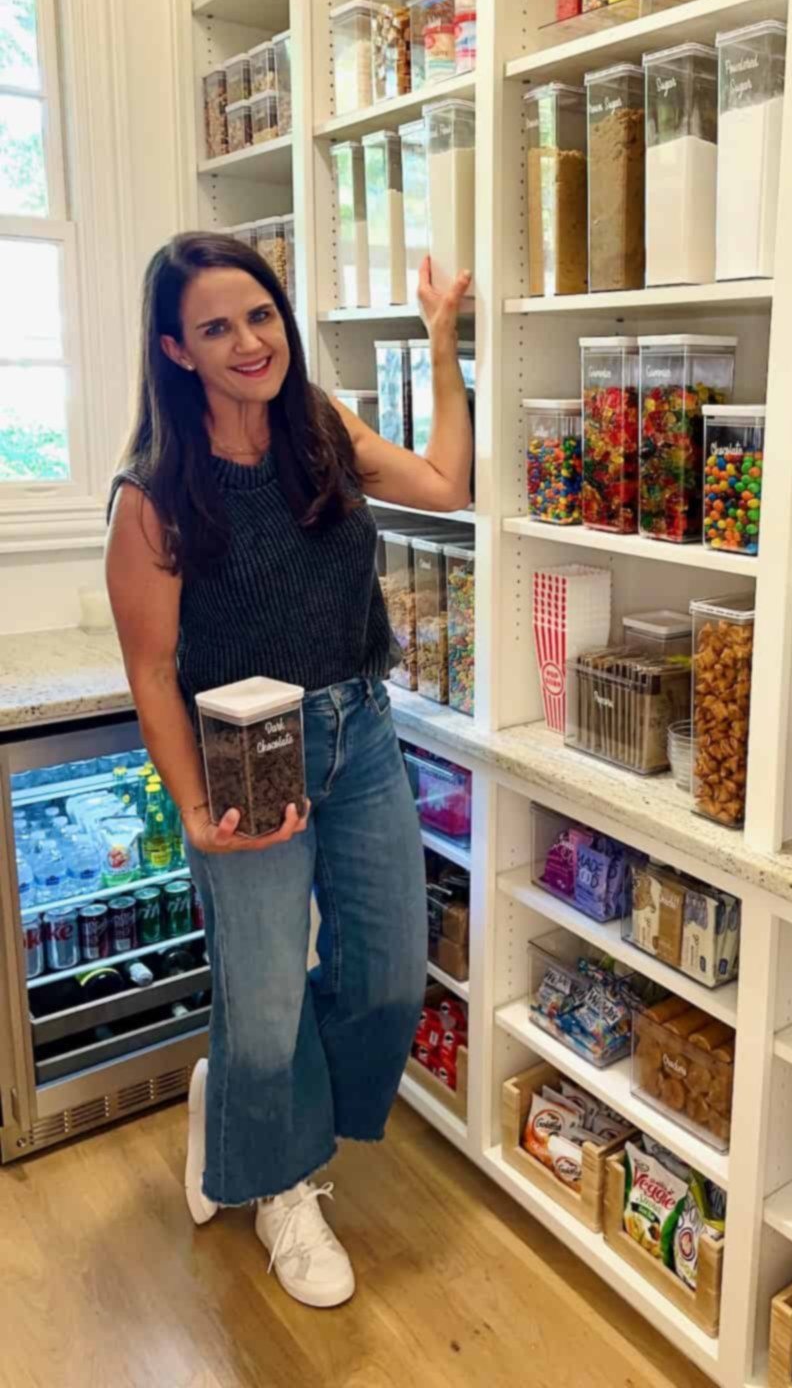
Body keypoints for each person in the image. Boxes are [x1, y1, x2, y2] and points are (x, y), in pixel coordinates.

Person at [106, 232, 472, 1308]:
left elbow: (447, 484)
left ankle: (239, 1095)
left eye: (260, 314)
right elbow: (153, 668)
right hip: (243, 753)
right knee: (263, 1006)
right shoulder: (156, 493)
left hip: (360, 733)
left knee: (391, 977)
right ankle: (282, 1184)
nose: (249, 340)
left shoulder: (320, 429)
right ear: (176, 349)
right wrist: (193, 811)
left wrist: (440, 336)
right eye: (216, 326)